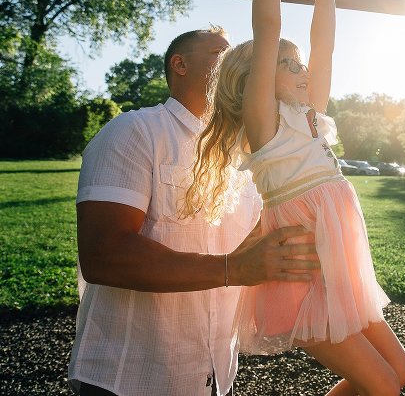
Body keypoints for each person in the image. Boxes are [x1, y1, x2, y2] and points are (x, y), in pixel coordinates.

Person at [184, 0, 405, 396]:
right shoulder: (265, 124)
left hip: (337, 273)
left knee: (400, 372)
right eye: (286, 66)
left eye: (298, 64)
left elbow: (324, 45)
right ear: (258, 81)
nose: (301, 69)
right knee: (384, 388)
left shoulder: (309, 114)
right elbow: (268, 31)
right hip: (304, 278)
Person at [69, 25, 321, 396]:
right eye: (222, 53)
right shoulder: (135, 131)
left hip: (216, 378)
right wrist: (232, 269)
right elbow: (104, 255)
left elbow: (253, 251)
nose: (239, 63)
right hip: (130, 378)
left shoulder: (246, 156)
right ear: (180, 64)